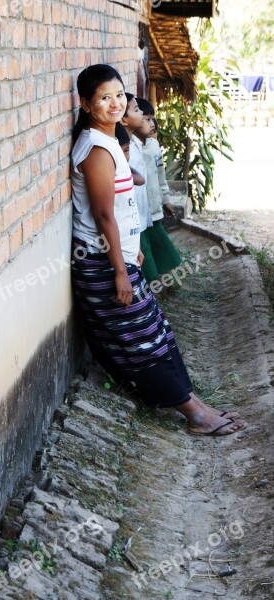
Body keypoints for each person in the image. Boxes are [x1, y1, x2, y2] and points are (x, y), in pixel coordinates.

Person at [71, 64, 244, 436]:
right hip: (100, 264)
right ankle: (194, 415)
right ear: (86, 104)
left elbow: (119, 209)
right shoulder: (97, 150)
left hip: (116, 257)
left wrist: (131, 250)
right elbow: (102, 216)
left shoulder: (109, 142)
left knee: (158, 332)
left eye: (119, 95)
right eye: (104, 98)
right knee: (141, 342)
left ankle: (196, 404)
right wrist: (119, 270)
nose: (114, 104)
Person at [134, 98, 182, 284]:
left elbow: (160, 175)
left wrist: (166, 200)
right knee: (144, 250)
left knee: (159, 248)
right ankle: (150, 286)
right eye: (145, 119)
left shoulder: (153, 145)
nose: (152, 123)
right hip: (139, 212)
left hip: (154, 208)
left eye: (152, 118)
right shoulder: (131, 149)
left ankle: (162, 284)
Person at [120, 92, 153, 236]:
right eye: (136, 110)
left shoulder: (134, 142)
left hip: (139, 217)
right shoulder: (121, 146)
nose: (141, 113)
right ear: (123, 120)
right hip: (128, 221)